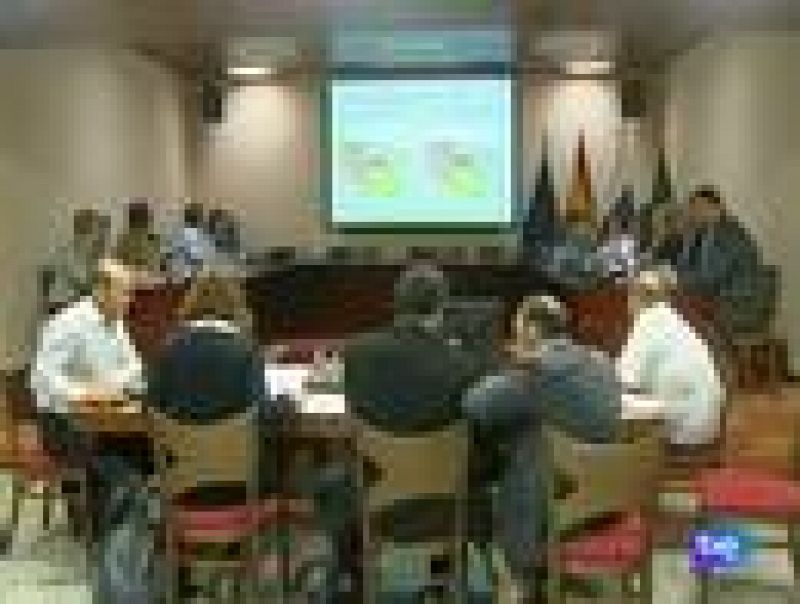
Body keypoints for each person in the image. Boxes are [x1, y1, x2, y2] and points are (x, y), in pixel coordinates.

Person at [461, 295, 622, 602]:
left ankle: (525, 575)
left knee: (521, 450)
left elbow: (476, 405)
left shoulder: (537, 370)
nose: (514, 335)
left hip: (556, 499)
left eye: (517, 328)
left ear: (532, 330)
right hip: (608, 499)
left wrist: (508, 372)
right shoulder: (600, 361)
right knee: (533, 434)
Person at [30, 257, 147, 538]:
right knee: (111, 457)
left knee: (147, 447)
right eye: (124, 292)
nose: (130, 300)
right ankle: (102, 532)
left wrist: (110, 386)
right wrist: (86, 393)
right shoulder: (67, 323)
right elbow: (42, 376)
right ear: (100, 291)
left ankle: (127, 529)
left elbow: (134, 367)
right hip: (61, 422)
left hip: (106, 416)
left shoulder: (115, 321)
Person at [344, 264, 486, 434]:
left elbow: (344, 407)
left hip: (371, 450)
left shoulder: (356, 351)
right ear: (442, 306)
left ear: (396, 303)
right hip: (443, 450)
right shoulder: (466, 366)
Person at [617, 268, 725, 448]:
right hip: (706, 422)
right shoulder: (673, 320)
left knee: (613, 404)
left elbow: (623, 380)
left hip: (685, 429)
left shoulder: (646, 323)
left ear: (635, 297)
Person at [673, 185, 775, 337]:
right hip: (725, 300)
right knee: (678, 307)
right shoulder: (707, 233)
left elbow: (708, 279)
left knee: (681, 312)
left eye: (700, 208)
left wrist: (676, 281)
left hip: (739, 307)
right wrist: (687, 238)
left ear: (718, 208)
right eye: (693, 209)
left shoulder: (727, 235)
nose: (695, 214)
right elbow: (686, 269)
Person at [45, 208, 110, 313]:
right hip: (65, 305)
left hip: (79, 305)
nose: (100, 235)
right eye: (97, 228)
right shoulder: (69, 253)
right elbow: (84, 280)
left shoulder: (91, 252)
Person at [166, 201, 218, 285]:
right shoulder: (203, 236)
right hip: (192, 278)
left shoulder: (177, 233)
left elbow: (171, 256)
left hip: (177, 275)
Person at [114, 199, 164, 275]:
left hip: (131, 276)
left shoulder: (124, 239)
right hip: (145, 275)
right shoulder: (153, 238)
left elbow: (119, 261)